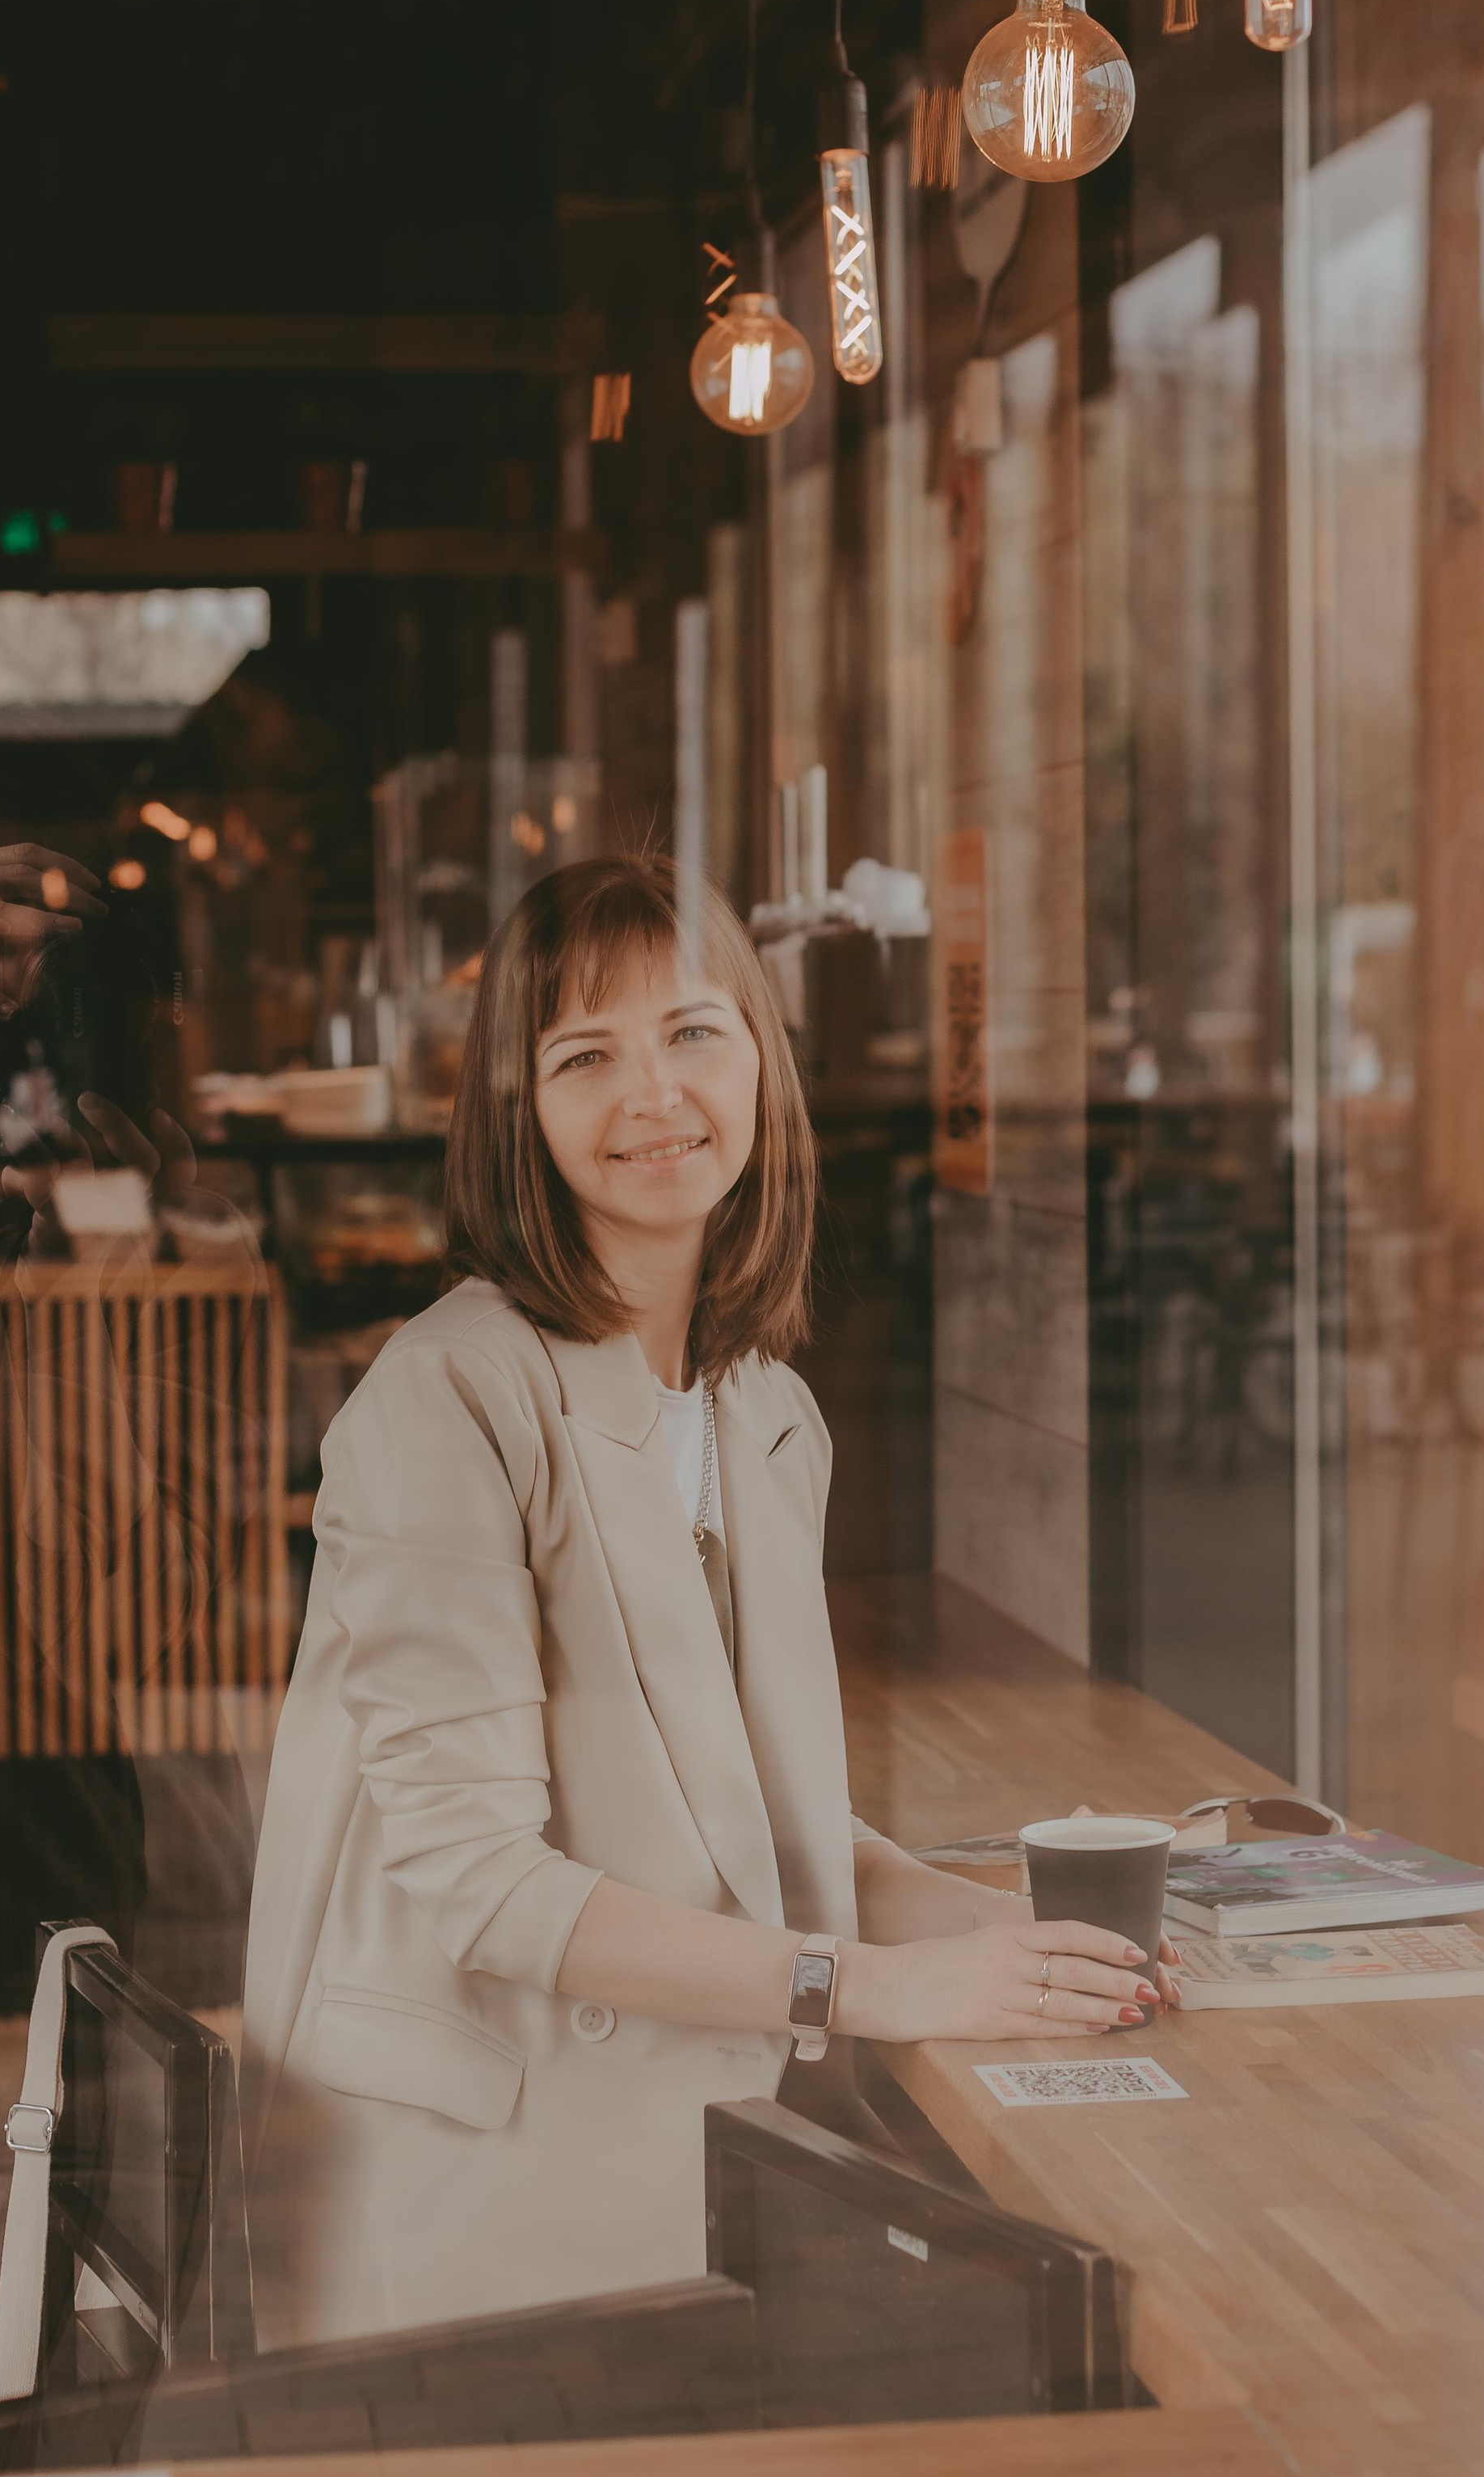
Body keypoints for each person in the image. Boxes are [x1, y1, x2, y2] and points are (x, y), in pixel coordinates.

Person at [242, 856, 1173, 2348]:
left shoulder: (762, 1410)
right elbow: (480, 1881)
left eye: (693, 1034)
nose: (654, 1094)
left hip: (709, 2127)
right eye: (583, 1056)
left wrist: (1038, 1944)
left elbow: (760, 1835)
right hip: (483, 2185)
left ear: (762, 1062)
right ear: (517, 1114)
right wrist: (866, 1986)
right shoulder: (443, 1399)